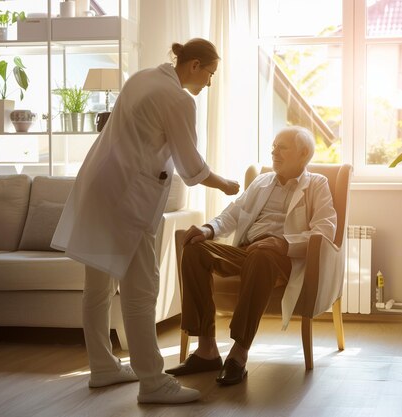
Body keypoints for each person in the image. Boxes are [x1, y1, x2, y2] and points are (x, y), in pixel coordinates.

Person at [51, 38, 240, 404]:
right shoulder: (179, 98)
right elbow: (191, 167)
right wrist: (226, 185)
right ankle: (153, 382)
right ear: (195, 65)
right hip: (124, 198)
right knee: (142, 287)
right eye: (211, 74)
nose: (210, 83)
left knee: (98, 284)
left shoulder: (141, 77)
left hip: (96, 187)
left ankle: (102, 366)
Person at [165, 126, 337, 385]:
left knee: (262, 256)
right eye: (273, 146)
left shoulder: (316, 184)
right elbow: (233, 214)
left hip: (282, 258)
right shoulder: (261, 181)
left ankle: (238, 354)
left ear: (303, 154)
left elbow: (324, 231)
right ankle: (206, 350)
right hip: (246, 251)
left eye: (282, 147)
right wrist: (207, 228)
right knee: (194, 249)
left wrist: (282, 243)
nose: (274, 152)